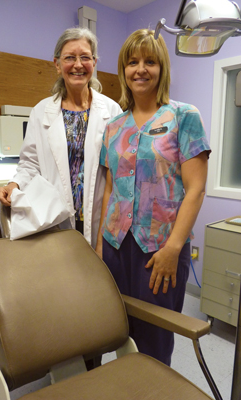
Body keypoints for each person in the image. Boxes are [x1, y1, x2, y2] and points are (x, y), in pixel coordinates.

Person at [95, 29, 211, 366]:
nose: (140, 69)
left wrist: (173, 249)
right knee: (118, 329)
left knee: (155, 339)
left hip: (160, 249)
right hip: (116, 246)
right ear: (123, 70)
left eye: (150, 61)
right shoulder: (114, 126)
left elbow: (196, 188)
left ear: (162, 68)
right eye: (132, 62)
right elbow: (110, 189)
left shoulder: (183, 116)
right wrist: (102, 248)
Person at [0, 27, 122, 248]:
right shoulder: (41, 111)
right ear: (57, 64)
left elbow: (119, 170)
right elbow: (29, 163)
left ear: (94, 62)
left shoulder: (112, 112)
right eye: (69, 58)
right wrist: (14, 183)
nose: (78, 64)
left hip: (99, 218)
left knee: (98, 280)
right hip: (56, 217)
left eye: (85, 57)